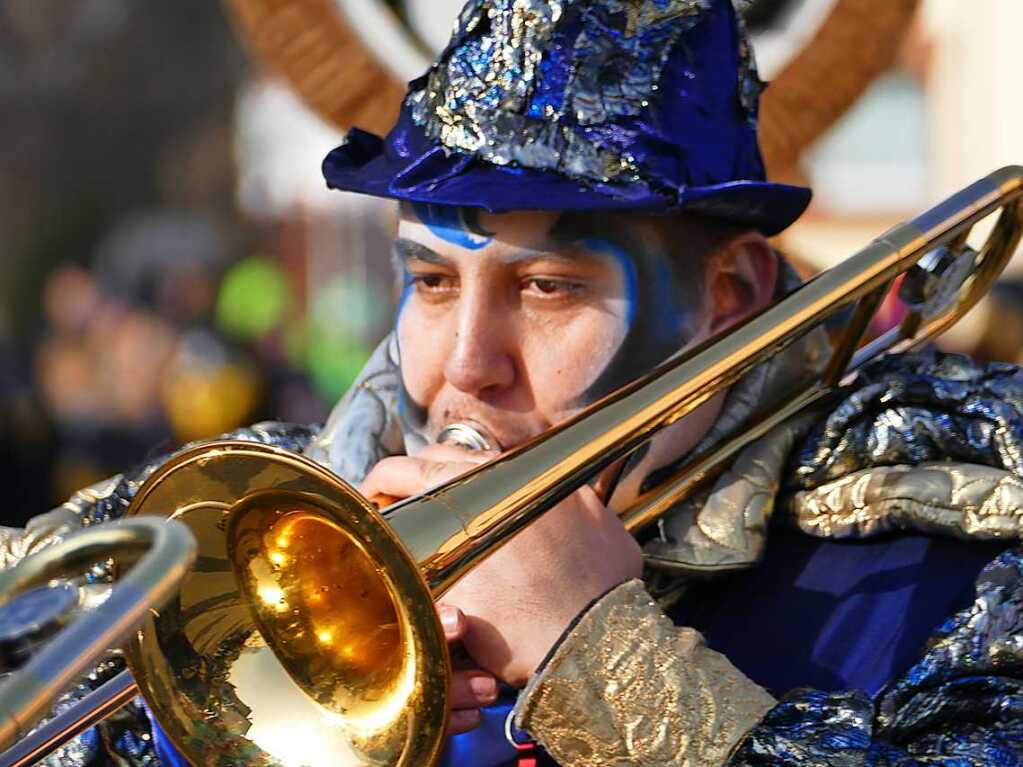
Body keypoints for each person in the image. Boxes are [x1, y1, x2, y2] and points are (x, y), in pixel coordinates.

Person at [5, 1, 1023, 766]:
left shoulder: (952, 531)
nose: (461, 365)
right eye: (431, 280)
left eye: (546, 287)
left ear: (730, 294)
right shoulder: (266, 515)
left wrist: (603, 660)